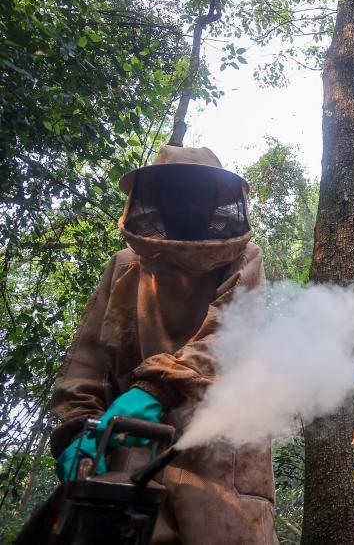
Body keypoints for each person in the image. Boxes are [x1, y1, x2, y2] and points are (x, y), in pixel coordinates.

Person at [50, 146, 278, 544]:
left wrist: (156, 386)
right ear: (154, 198)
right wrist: (76, 431)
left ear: (216, 202)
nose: (187, 203)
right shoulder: (125, 266)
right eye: (176, 192)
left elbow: (232, 335)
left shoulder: (243, 258)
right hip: (129, 451)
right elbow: (88, 361)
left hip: (221, 455)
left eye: (198, 193)